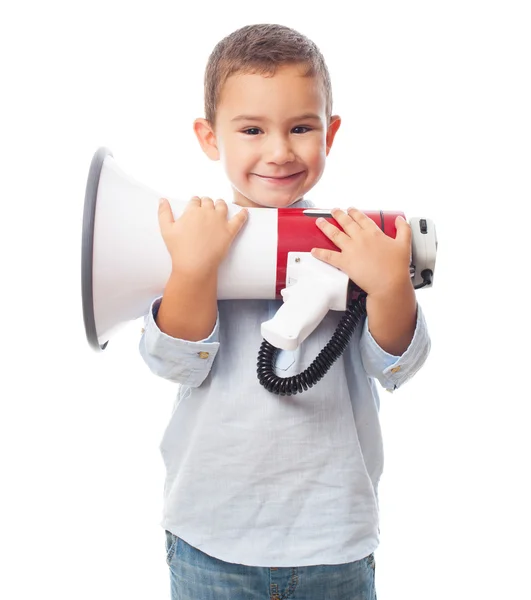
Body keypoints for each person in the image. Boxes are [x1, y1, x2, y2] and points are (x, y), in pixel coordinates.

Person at [140, 23, 430, 600]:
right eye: (251, 129)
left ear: (331, 132)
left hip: (332, 541)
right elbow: (176, 361)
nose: (279, 151)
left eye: (302, 128)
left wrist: (389, 285)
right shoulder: (197, 241)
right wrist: (194, 271)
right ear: (209, 136)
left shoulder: (353, 241)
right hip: (211, 536)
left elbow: (395, 365)